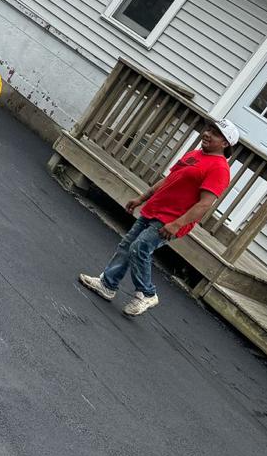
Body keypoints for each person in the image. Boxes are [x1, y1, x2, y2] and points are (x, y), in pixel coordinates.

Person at [79, 120, 239, 317]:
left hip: (171, 220)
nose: (207, 134)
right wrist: (142, 198)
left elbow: (205, 204)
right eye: (208, 129)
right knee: (127, 246)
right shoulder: (194, 154)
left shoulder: (220, 169)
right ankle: (107, 285)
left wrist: (178, 224)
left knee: (139, 248)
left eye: (215, 133)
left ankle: (147, 293)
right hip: (155, 209)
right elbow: (168, 180)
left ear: (225, 143)